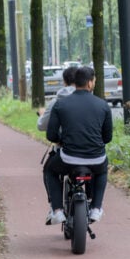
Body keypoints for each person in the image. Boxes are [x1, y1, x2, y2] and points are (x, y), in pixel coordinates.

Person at [44, 66, 113, 224]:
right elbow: (107, 137)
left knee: (50, 170)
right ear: (90, 83)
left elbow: (51, 135)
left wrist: (62, 140)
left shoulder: (60, 104)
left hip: (68, 159)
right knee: (102, 171)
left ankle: (57, 211)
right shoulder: (102, 105)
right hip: (96, 159)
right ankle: (96, 208)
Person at [37, 65, 78, 225]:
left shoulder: (57, 102)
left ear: (65, 81)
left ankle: (56, 209)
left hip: (64, 151)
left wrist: (42, 115)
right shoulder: (93, 101)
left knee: (49, 170)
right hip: (91, 153)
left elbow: (42, 126)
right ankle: (94, 205)